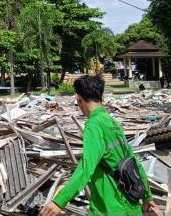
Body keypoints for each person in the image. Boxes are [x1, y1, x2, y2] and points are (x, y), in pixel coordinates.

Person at [40, 75, 161, 216]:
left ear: (78, 98)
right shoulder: (112, 122)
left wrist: (59, 201)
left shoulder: (94, 125)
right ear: (102, 96)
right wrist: (147, 196)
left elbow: (86, 167)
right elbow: (135, 162)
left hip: (109, 207)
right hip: (131, 204)